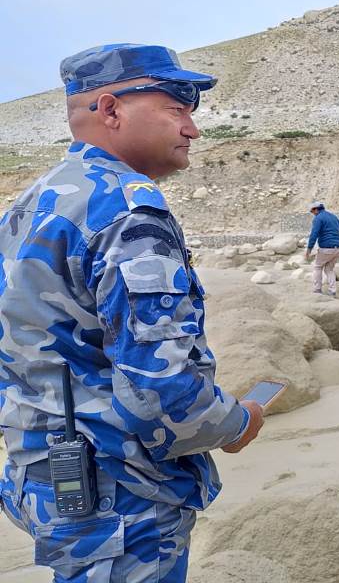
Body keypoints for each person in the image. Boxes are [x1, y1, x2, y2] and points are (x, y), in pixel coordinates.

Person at [0, 44, 264, 583]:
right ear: (111, 109)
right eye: (176, 108)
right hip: (121, 495)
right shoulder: (125, 208)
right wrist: (237, 422)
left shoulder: (34, 202)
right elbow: (162, 390)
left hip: (44, 475)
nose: (192, 129)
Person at [306, 201, 339, 296]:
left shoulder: (318, 218)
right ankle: (332, 290)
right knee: (329, 269)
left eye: (312, 211)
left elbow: (314, 234)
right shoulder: (332, 216)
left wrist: (309, 249)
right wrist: (332, 233)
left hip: (326, 247)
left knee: (318, 267)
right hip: (338, 247)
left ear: (316, 209)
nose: (312, 214)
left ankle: (317, 289)